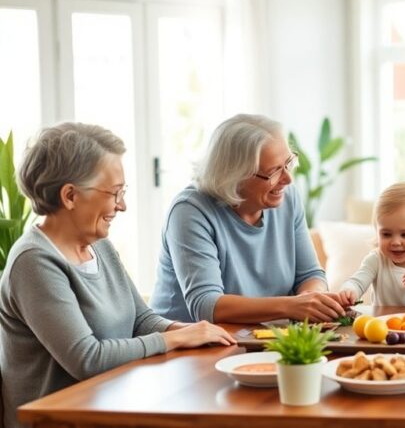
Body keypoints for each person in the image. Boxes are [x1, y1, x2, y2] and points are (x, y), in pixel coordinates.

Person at [0, 123, 235, 428]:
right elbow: (87, 358)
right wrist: (176, 338)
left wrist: (195, 332)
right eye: (114, 193)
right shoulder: (34, 261)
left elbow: (141, 320)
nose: (122, 205)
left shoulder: (99, 246)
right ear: (70, 196)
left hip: (109, 409)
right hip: (58, 421)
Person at [150, 114, 345, 323]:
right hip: (187, 338)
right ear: (235, 176)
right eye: (274, 171)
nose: (288, 179)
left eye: (288, 163)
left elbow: (310, 275)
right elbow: (207, 306)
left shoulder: (287, 198)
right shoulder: (189, 211)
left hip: (258, 334)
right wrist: (292, 306)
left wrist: (311, 298)